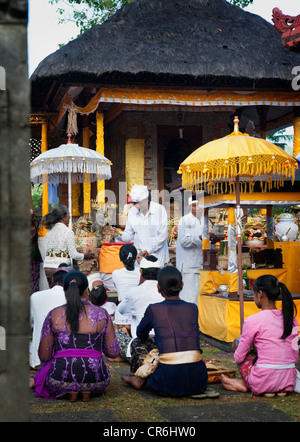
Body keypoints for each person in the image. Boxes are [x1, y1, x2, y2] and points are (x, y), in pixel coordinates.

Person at [122, 266, 209, 397]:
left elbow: (141, 334)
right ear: (182, 285)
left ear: (158, 288)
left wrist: (156, 337)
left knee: (137, 343)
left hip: (166, 381)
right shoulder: (192, 308)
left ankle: (139, 377)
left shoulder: (154, 309)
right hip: (197, 380)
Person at [34, 271, 120, 402]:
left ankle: (71, 390)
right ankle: (86, 391)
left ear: (64, 291)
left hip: (60, 379)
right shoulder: (102, 313)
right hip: (97, 380)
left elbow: (43, 355)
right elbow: (113, 352)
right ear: (87, 290)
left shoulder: (54, 314)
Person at [221, 274, 298, 397]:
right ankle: (280, 389)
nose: (253, 297)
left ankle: (245, 383)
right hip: (288, 379)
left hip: (262, 381)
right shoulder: (292, 319)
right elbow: (294, 357)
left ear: (260, 293)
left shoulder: (253, 320)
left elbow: (238, 358)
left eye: (253, 293)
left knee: (246, 356)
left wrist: (245, 349)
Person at [111, 185, 169, 268]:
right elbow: (128, 235)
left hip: (158, 257)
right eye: (134, 203)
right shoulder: (132, 212)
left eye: (138, 202)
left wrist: (148, 250)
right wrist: (118, 234)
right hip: (140, 258)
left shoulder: (160, 210)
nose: (136, 205)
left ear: (147, 199)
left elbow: (162, 235)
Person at [30, 265, 72, 369]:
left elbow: (31, 323)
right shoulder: (72, 299)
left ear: (52, 280)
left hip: (38, 360)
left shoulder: (35, 296)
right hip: (65, 361)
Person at [42, 204, 94, 287]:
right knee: (63, 294)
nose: (70, 217)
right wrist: (85, 256)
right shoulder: (68, 232)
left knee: (53, 293)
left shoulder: (49, 231)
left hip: (48, 267)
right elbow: (73, 254)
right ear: (63, 217)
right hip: (61, 269)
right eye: (69, 214)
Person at [176, 195, 204, 304]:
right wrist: (200, 238)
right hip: (188, 266)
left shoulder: (204, 219)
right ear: (189, 207)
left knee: (199, 297)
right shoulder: (185, 220)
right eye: (194, 206)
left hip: (201, 264)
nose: (196, 208)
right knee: (188, 297)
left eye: (198, 205)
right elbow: (184, 241)